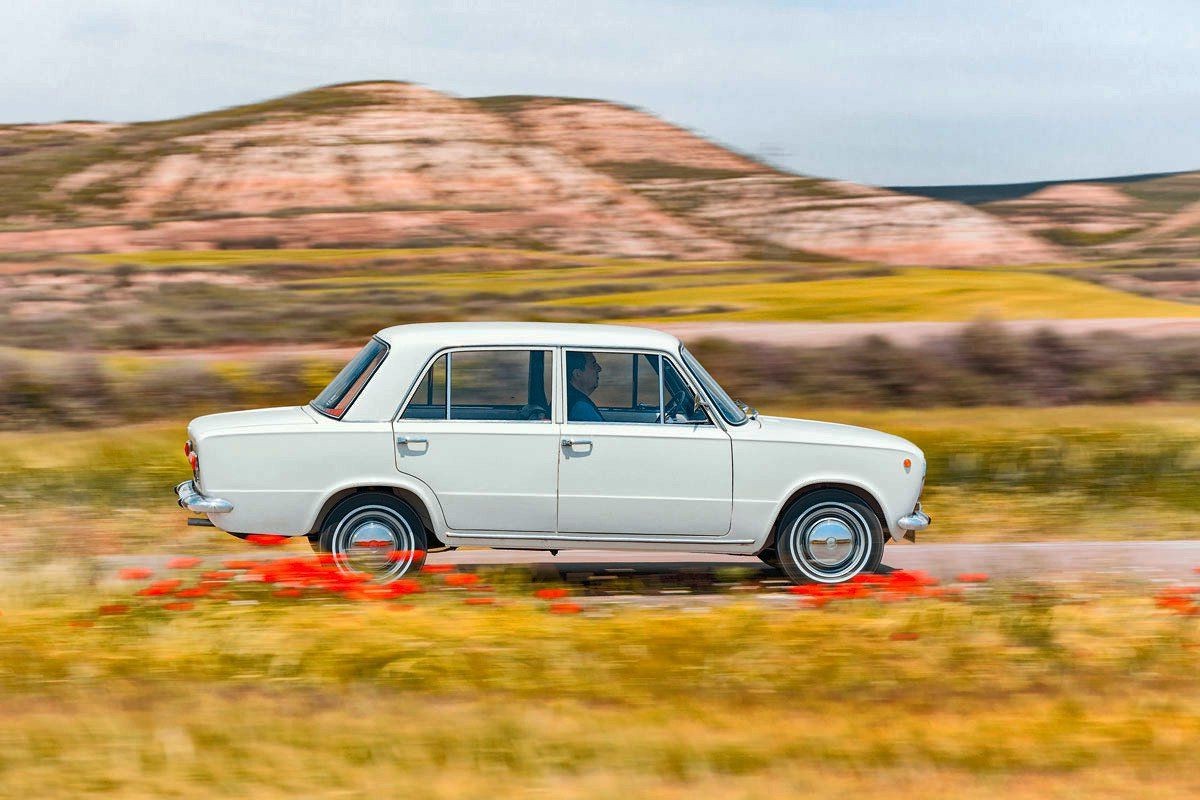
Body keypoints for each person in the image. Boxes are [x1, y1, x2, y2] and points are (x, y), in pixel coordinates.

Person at [566, 351, 604, 422]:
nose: (599, 369)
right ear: (577, 374)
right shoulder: (580, 407)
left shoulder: (570, 399)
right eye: (593, 365)